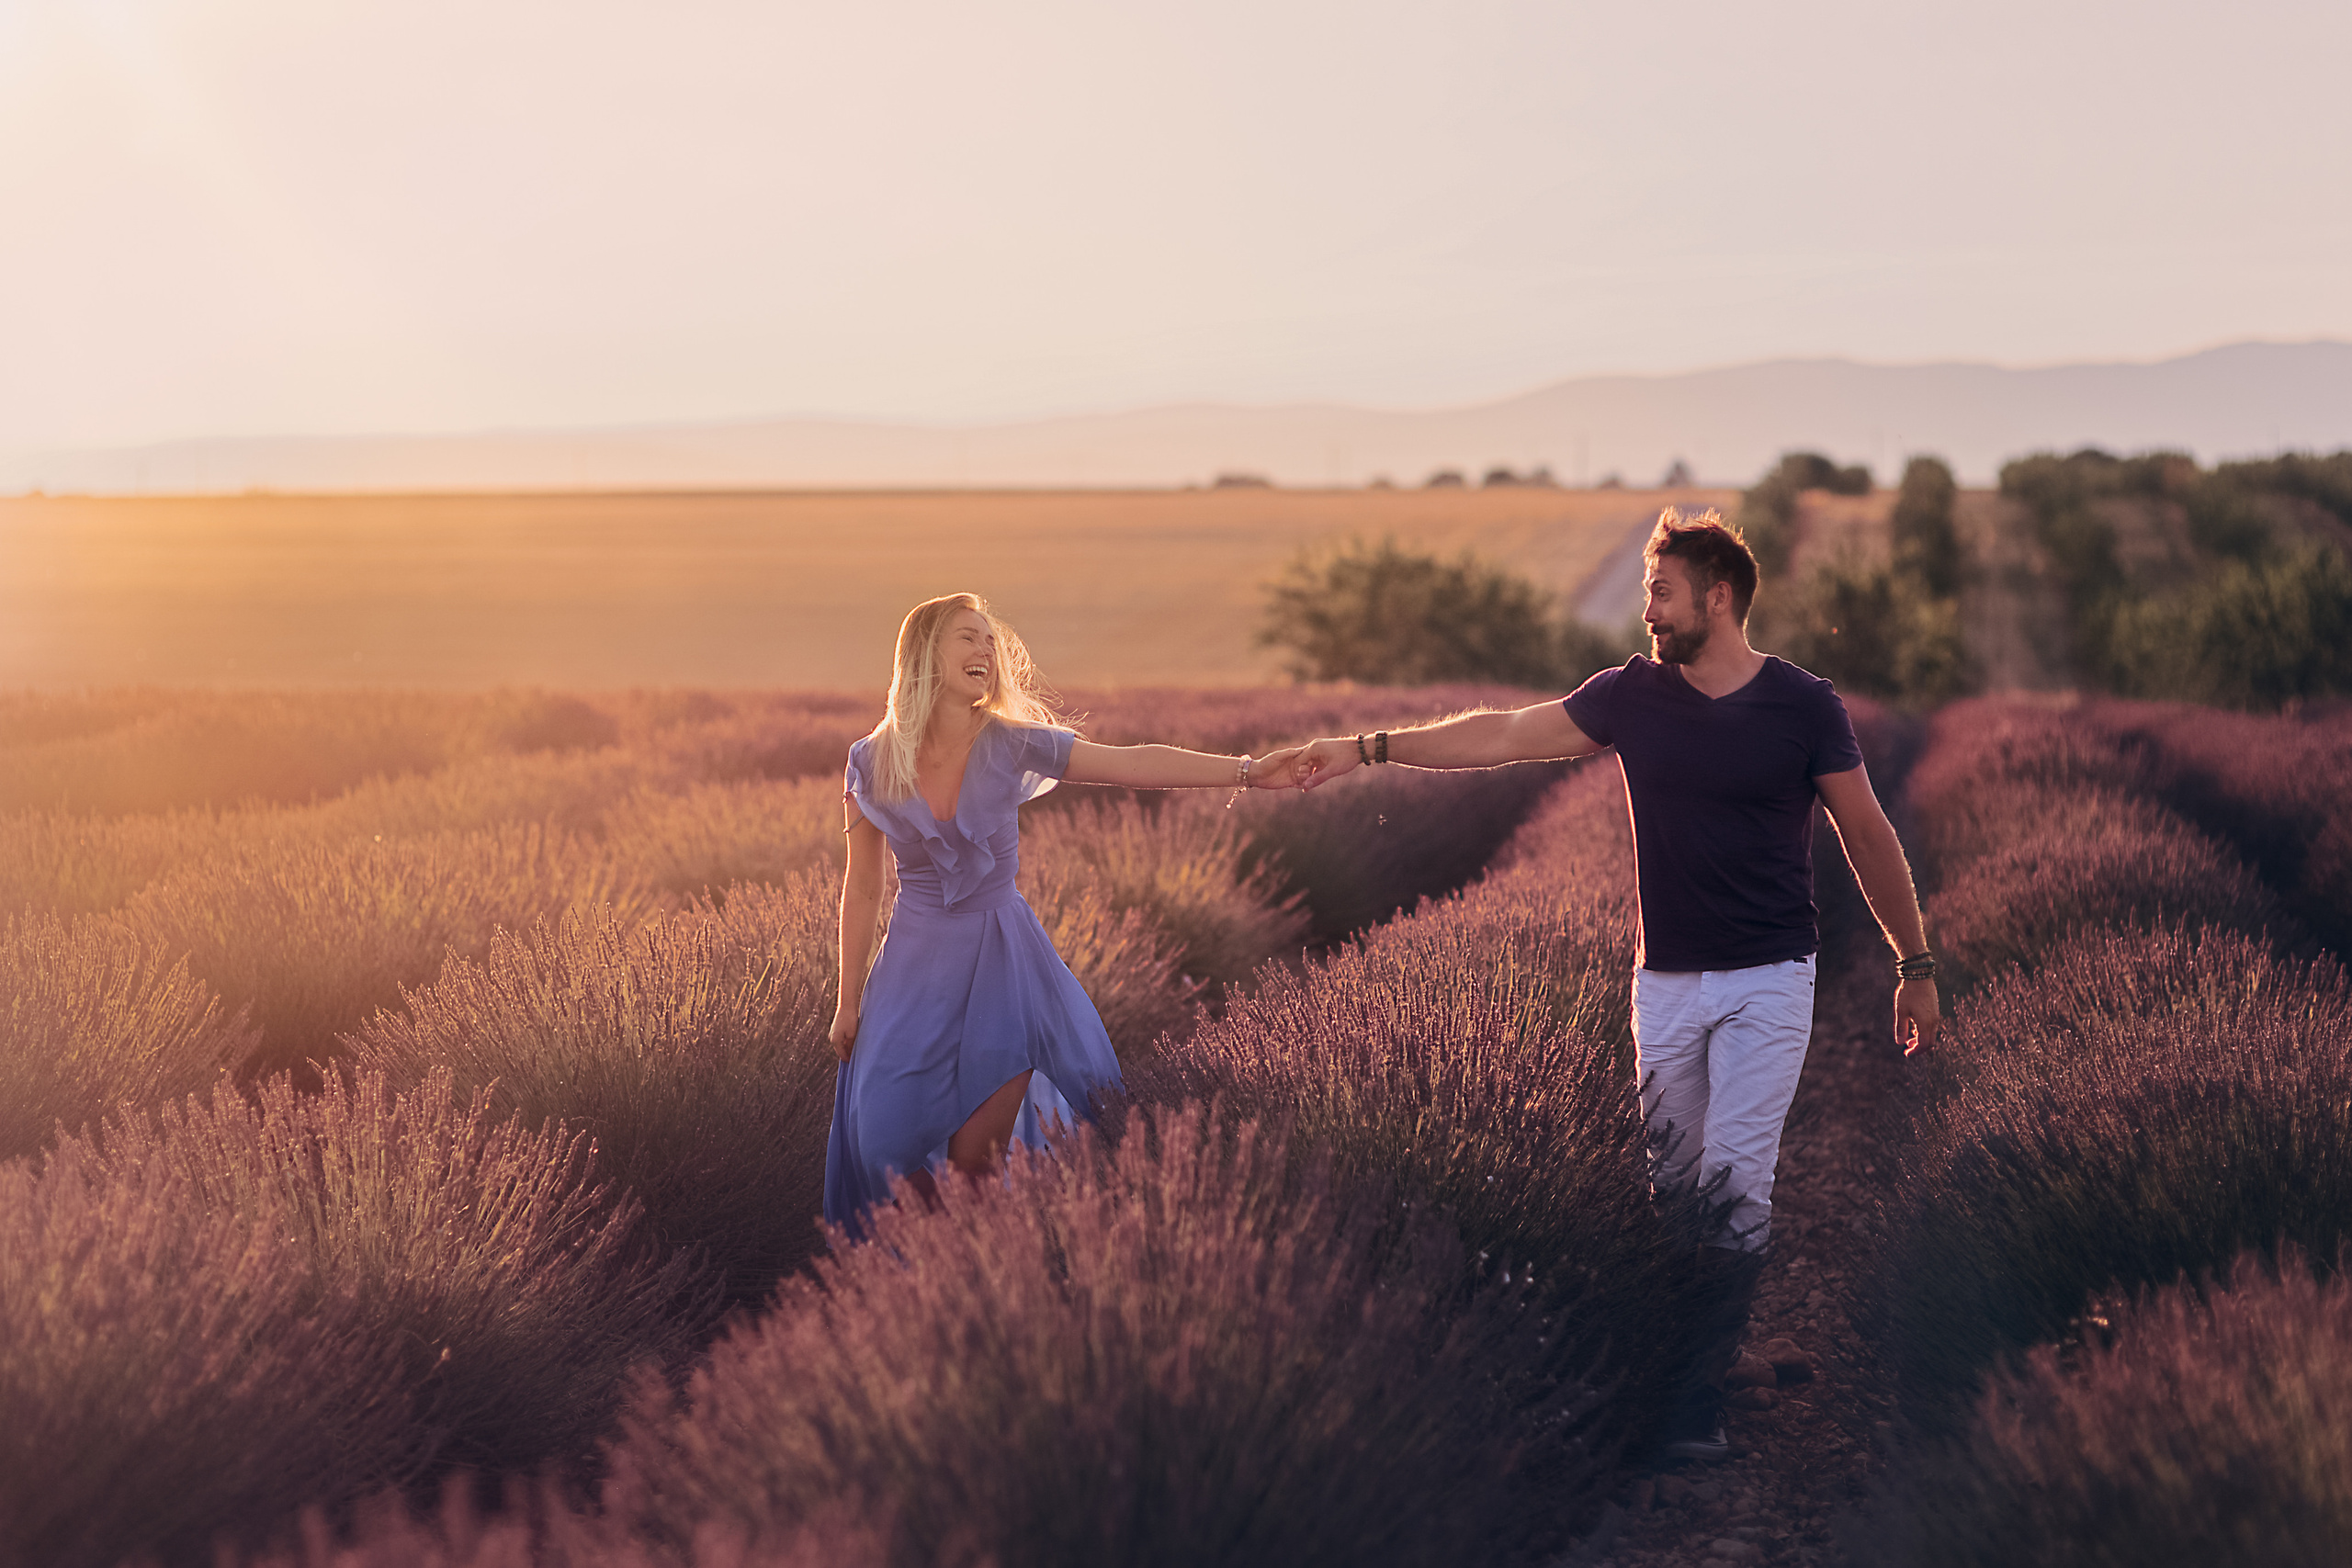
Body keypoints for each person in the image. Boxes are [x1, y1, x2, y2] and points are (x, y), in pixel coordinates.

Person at [1286, 507, 1939, 1463]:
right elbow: (1505, 734)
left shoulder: (1803, 705)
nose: (1648, 611)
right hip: (1664, 980)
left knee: (1735, 1183)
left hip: (1770, 975)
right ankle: (1706, 1358)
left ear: (1718, 599)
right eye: (1646, 594)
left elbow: (1868, 834)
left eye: (1661, 593)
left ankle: (1690, 1408)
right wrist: (1367, 749)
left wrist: (1912, 962)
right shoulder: (1632, 694)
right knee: (1673, 1196)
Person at [825, 592, 1301, 1233]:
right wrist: (848, 999)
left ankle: (976, 1293)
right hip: (911, 969)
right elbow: (861, 890)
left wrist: (1247, 770)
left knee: (973, 1167)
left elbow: (1131, 761)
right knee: (885, 1154)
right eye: (968, 637)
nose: (985, 651)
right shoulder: (869, 762)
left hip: (1002, 964)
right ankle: (926, 1278)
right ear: (923, 654)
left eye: (990, 641)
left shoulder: (1012, 743)